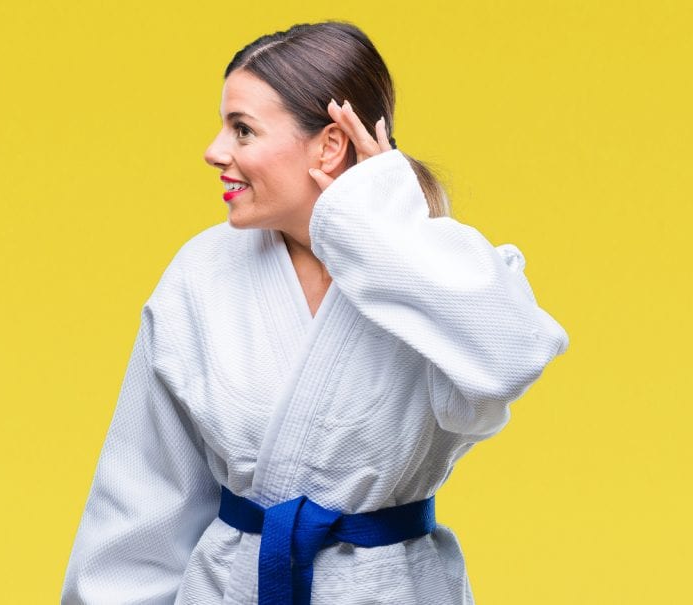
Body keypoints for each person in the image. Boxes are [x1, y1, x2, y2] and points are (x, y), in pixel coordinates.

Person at [61, 20, 569, 605]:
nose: (214, 151)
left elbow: (511, 355)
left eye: (242, 129)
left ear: (330, 144)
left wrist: (381, 221)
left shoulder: (431, 268)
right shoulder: (201, 274)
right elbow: (143, 494)